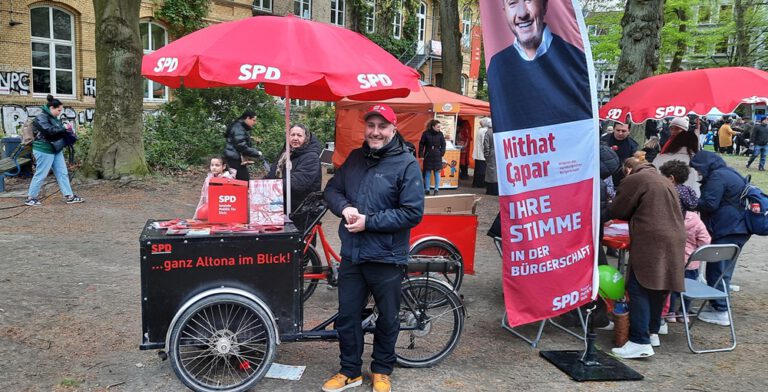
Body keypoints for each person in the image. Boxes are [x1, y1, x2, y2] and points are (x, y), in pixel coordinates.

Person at [322, 104, 424, 392]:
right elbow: (332, 190)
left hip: (387, 256)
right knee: (347, 316)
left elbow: (412, 212)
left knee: (388, 317)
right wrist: (344, 209)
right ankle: (350, 371)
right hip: (353, 253)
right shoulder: (355, 158)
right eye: (371, 125)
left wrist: (369, 221)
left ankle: (381, 370)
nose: (375, 132)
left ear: (393, 129)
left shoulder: (406, 164)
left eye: (382, 126)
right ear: (365, 128)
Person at [609, 157, 686, 358]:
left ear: (627, 170)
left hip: (652, 240)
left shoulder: (635, 179)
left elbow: (618, 210)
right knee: (658, 287)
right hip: (674, 238)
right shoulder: (661, 179)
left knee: (639, 287)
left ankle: (639, 341)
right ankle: (652, 332)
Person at [487, 0, 591, 131]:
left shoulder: (574, 59)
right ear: (504, 11)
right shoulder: (496, 66)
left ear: (545, 5)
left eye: (529, 0)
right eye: (512, 3)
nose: (522, 13)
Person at [689, 151, 751, 326]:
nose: (698, 173)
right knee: (724, 271)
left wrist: (690, 200)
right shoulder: (729, 172)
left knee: (717, 269)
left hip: (726, 228)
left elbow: (710, 203)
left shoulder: (717, 177)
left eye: (698, 169)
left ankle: (721, 310)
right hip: (738, 227)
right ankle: (719, 305)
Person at [658, 159, 710, 323]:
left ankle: (670, 312)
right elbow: (705, 240)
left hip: (673, 251)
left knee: (672, 284)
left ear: (671, 178)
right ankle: (684, 313)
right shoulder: (690, 197)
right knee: (688, 284)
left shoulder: (667, 191)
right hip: (692, 260)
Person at [25, 94, 84, 206]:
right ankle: (30, 197)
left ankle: (69, 196)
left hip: (55, 149)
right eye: (59, 110)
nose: (60, 112)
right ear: (51, 108)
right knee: (41, 174)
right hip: (44, 149)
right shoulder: (41, 117)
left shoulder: (53, 118)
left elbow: (55, 131)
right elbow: (48, 130)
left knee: (63, 173)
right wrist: (63, 128)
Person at [266, 124, 322, 214]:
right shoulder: (286, 153)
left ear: (306, 138)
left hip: (301, 208)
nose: (295, 138)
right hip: (280, 202)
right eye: (292, 135)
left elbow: (297, 183)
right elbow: (272, 174)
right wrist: (258, 185)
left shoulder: (311, 157)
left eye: (299, 135)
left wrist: (269, 186)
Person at [653, 124, 701, 196]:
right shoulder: (698, 161)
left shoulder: (660, 158)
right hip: (692, 200)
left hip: (661, 197)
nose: (673, 131)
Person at [223, 110, 262, 181]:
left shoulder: (239, 127)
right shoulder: (238, 128)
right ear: (247, 118)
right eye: (254, 120)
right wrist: (256, 153)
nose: (255, 123)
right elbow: (241, 146)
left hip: (232, 157)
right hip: (233, 159)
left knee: (236, 181)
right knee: (244, 181)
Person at [419, 119, 446, 196]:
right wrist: (421, 155)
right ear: (433, 126)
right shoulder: (425, 133)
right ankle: (427, 189)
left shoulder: (440, 134)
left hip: (437, 154)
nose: (439, 128)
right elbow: (421, 144)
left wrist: (441, 152)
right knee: (427, 172)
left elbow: (443, 144)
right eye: (438, 127)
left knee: (437, 172)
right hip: (428, 154)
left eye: (439, 127)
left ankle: (436, 189)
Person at [472, 117, 491, 188]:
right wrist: (486, 152)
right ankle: (480, 184)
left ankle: (476, 183)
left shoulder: (480, 130)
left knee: (478, 169)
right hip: (482, 154)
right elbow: (484, 142)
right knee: (481, 170)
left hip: (478, 153)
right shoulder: (484, 131)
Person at [483, 122, 498, 196]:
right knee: (497, 171)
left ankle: (490, 190)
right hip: (499, 153)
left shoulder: (488, 133)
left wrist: (486, 155)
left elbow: (486, 145)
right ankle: (496, 189)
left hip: (491, 153)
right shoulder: (498, 130)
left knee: (491, 171)